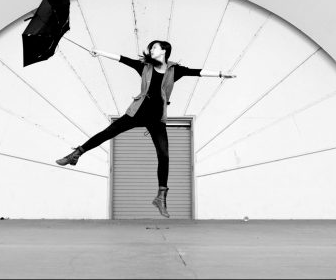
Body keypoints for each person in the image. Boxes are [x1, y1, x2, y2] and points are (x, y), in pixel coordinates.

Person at [55, 40, 236, 217]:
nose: (151, 50)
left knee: (164, 155)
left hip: (157, 119)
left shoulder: (175, 70)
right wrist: (100, 52)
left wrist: (221, 74)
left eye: (155, 47)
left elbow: (197, 72)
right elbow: (122, 59)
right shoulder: (145, 67)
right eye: (151, 48)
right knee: (108, 133)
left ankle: (161, 197)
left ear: (164, 50)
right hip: (137, 112)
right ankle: (76, 154)